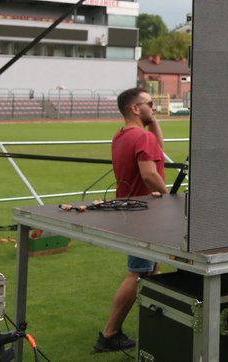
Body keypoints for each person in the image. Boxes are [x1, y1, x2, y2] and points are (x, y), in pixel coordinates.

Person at [94, 88, 168, 353]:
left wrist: (153, 119)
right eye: (150, 103)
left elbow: (157, 149)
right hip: (144, 215)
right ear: (135, 108)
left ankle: (157, 326)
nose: (154, 107)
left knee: (151, 271)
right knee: (138, 273)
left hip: (130, 211)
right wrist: (168, 197)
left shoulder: (122, 136)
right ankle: (109, 334)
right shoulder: (142, 137)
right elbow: (149, 174)